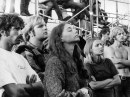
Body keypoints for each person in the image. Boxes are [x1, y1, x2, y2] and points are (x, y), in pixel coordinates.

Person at [0, 14, 44, 97]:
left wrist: (20, 86)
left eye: (21, 28)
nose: (20, 32)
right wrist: (31, 87)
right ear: (3, 32)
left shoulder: (19, 57)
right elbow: (15, 93)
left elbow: (41, 88)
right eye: (16, 29)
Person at [44, 23, 91, 97]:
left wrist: (86, 91)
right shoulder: (54, 62)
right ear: (60, 38)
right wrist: (82, 93)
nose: (75, 31)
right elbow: (56, 95)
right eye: (70, 30)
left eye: (74, 28)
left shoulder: (76, 60)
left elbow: (87, 87)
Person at [16, 16, 49, 81]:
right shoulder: (25, 51)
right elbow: (35, 77)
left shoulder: (46, 50)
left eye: (45, 25)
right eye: (40, 26)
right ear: (30, 32)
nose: (45, 28)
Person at [104, 27, 130, 97]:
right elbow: (114, 66)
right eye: (119, 34)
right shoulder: (110, 49)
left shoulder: (127, 48)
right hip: (117, 78)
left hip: (128, 78)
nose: (122, 36)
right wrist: (126, 63)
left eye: (123, 34)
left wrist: (119, 60)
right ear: (114, 36)